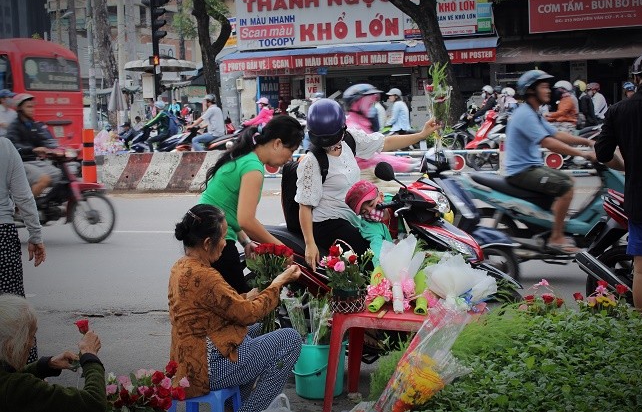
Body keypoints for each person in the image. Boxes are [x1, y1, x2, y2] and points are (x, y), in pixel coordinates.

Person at [169, 204, 302, 411]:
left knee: (257, 331)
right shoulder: (206, 275)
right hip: (208, 368)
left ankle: (233, 406)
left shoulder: (181, 266)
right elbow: (247, 314)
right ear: (207, 243)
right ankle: (250, 409)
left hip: (187, 361)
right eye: (222, 238)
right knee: (289, 339)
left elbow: (219, 305)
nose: (224, 243)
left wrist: (246, 296)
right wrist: (278, 283)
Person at [297, 98, 440, 269]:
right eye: (324, 141)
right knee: (370, 257)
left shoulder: (350, 140)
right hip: (328, 222)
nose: (330, 145)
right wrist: (310, 244)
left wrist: (421, 135)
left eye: (333, 139)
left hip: (353, 215)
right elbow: (305, 206)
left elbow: (385, 143)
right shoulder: (312, 162)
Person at [199, 116, 303, 292]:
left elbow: (228, 207)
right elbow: (246, 220)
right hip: (216, 239)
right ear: (277, 143)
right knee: (240, 307)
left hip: (204, 233)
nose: (290, 158)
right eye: (291, 150)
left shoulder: (245, 157)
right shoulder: (253, 168)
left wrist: (245, 240)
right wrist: (283, 249)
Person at [504, 70, 597, 255]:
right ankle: (556, 237)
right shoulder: (525, 114)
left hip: (530, 167)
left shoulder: (534, 113)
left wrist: (588, 141)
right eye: (544, 87)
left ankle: (553, 224)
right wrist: (584, 154)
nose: (548, 91)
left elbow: (556, 134)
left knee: (568, 181)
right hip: (521, 171)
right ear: (531, 91)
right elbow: (547, 142)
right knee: (566, 186)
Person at [595, 52, 642, 311]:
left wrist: (628, 166)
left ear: (636, 78)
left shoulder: (619, 110)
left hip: (641, 199)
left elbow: (603, 154)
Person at [0, 293, 105, 412]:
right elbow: (94, 404)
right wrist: (90, 355)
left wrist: (46, 365)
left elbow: (10, 379)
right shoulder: (16, 390)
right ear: (11, 345)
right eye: (31, 336)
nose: (33, 344)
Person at [0, 137, 46, 363]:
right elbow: (23, 196)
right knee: (12, 310)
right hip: (3, 237)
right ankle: (25, 375)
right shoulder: (5, 147)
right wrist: (35, 236)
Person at [6, 93, 63, 199]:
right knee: (44, 179)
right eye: (28, 107)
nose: (32, 109)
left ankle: (47, 204)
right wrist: (33, 150)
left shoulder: (33, 125)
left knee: (59, 175)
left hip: (34, 162)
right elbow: (14, 146)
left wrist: (56, 148)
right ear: (20, 109)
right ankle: (23, 208)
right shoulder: (14, 126)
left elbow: (43, 140)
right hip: (20, 163)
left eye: (33, 106)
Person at [345, 180, 393, 265]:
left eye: (371, 204)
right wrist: (380, 268)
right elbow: (377, 248)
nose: (370, 211)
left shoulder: (396, 201)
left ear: (381, 197)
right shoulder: (369, 228)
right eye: (363, 212)